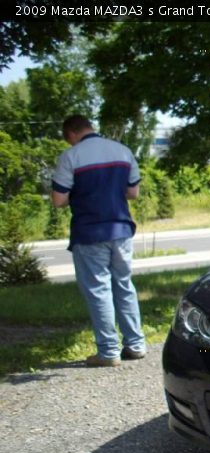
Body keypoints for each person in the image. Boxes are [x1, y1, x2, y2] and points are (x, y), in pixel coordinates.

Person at [51, 115, 147, 367]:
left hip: (89, 231)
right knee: (124, 285)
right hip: (121, 229)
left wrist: (81, 194)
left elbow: (59, 200)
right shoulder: (122, 151)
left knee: (98, 290)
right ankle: (135, 344)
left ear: (71, 133)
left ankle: (108, 351)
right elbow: (133, 193)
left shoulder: (71, 157)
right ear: (89, 127)